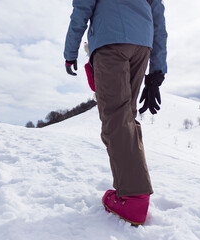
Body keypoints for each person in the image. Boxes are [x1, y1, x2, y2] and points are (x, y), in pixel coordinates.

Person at [64, 0, 167, 225]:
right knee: (126, 116)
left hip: (110, 41)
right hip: (142, 44)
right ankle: (130, 189)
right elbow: (158, 18)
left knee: (115, 118)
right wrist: (157, 69)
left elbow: (82, 8)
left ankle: (134, 198)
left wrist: (70, 52)